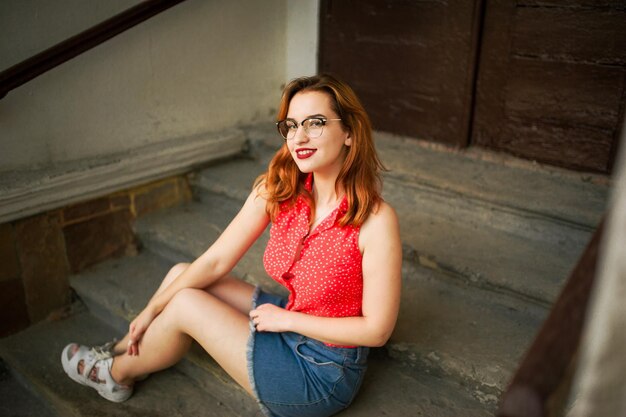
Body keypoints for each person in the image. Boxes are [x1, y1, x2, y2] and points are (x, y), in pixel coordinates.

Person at [61, 74, 402, 417]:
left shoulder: (375, 219)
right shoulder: (281, 190)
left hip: (322, 372)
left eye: (315, 124)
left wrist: (286, 321)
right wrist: (149, 310)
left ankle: (114, 375)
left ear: (349, 132)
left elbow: (376, 331)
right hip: (292, 318)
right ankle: (123, 349)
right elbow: (214, 262)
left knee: (186, 304)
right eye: (291, 125)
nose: (299, 137)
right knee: (183, 274)